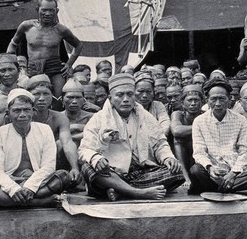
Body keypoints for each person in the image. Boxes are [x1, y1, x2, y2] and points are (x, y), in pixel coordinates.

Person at [78, 73, 184, 201]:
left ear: (135, 96)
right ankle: (137, 193)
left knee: (175, 171)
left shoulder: (145, 116)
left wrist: (168, 157)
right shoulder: (98, 118)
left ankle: (121, 192)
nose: (126, 99)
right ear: (110, 98)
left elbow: (160, 143)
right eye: (120, 95)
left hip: (140, 172)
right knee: (88, 168)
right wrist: (96, 158)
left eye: (130, 94)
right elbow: (84, 149)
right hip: (112, 172)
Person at [0, 89, 70, 207]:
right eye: (17, 110)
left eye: (26, 110)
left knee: (64, 176)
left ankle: (5, 202)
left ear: (33, 111)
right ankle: (39, 202)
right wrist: (13, 189)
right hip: (9, 182)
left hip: (37, 182)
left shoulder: (44, 130)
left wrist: (30, 187)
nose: (22, 114)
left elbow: (48, 166)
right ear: (8, 114)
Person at [189, 77, 247, 196]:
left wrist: (233, 173)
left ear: (229, 99)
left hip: (235, 172)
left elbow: (245, 152)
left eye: (222, 99)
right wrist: (210, 168)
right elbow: (199, 152)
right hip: (212, 172)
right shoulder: (199, 121)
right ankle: (227, 188)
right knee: (195, 171)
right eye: (213, 99)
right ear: (207, 100)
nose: (218, 103)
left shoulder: (240, 120)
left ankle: (214, 190)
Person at [6, 0, 83, 100]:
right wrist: (14, 63)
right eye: (44, 10)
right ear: (37, 9)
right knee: (33, 98)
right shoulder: (26, 26)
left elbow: (78, 45)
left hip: (55, 67)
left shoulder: (61, 30)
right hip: (33, 67)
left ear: (57, 11)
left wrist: (69, 64)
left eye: (51, 10)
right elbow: (13, 44)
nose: (47, 13)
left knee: (58, 98)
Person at [27, 75, 81, 187]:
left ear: (52, 97)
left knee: (59, 143)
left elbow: (67, 143)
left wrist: (74, 167)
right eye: (37, 94)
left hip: (50, 161)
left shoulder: (59, 118)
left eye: (46, 94)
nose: (41, 98)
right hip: (26, 160)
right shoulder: (21, 116)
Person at [170, 85, 204, 187]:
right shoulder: (178, 114)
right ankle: (185, 176)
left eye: (196, 100)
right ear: (182, 103)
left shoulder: (206, 115)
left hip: (201, 154)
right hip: (184, 155)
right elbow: (176, 131)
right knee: (178, 138)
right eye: (189, 100)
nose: (193, 103)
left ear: (202, 103)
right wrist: (200, 127)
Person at [133, 72, 170, 137]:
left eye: (148, 91)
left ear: (153, 92)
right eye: (140, 91)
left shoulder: (158, 105)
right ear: (134, 92)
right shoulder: (129, 107)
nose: (144, 95)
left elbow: (165, 124)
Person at [61, 79, 94, 147]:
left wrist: (71, 136)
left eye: (78, 97)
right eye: (70, 97)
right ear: (62, 99)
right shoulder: (57, 117)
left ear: (83, 100)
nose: (74, 101)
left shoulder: (92, 117)